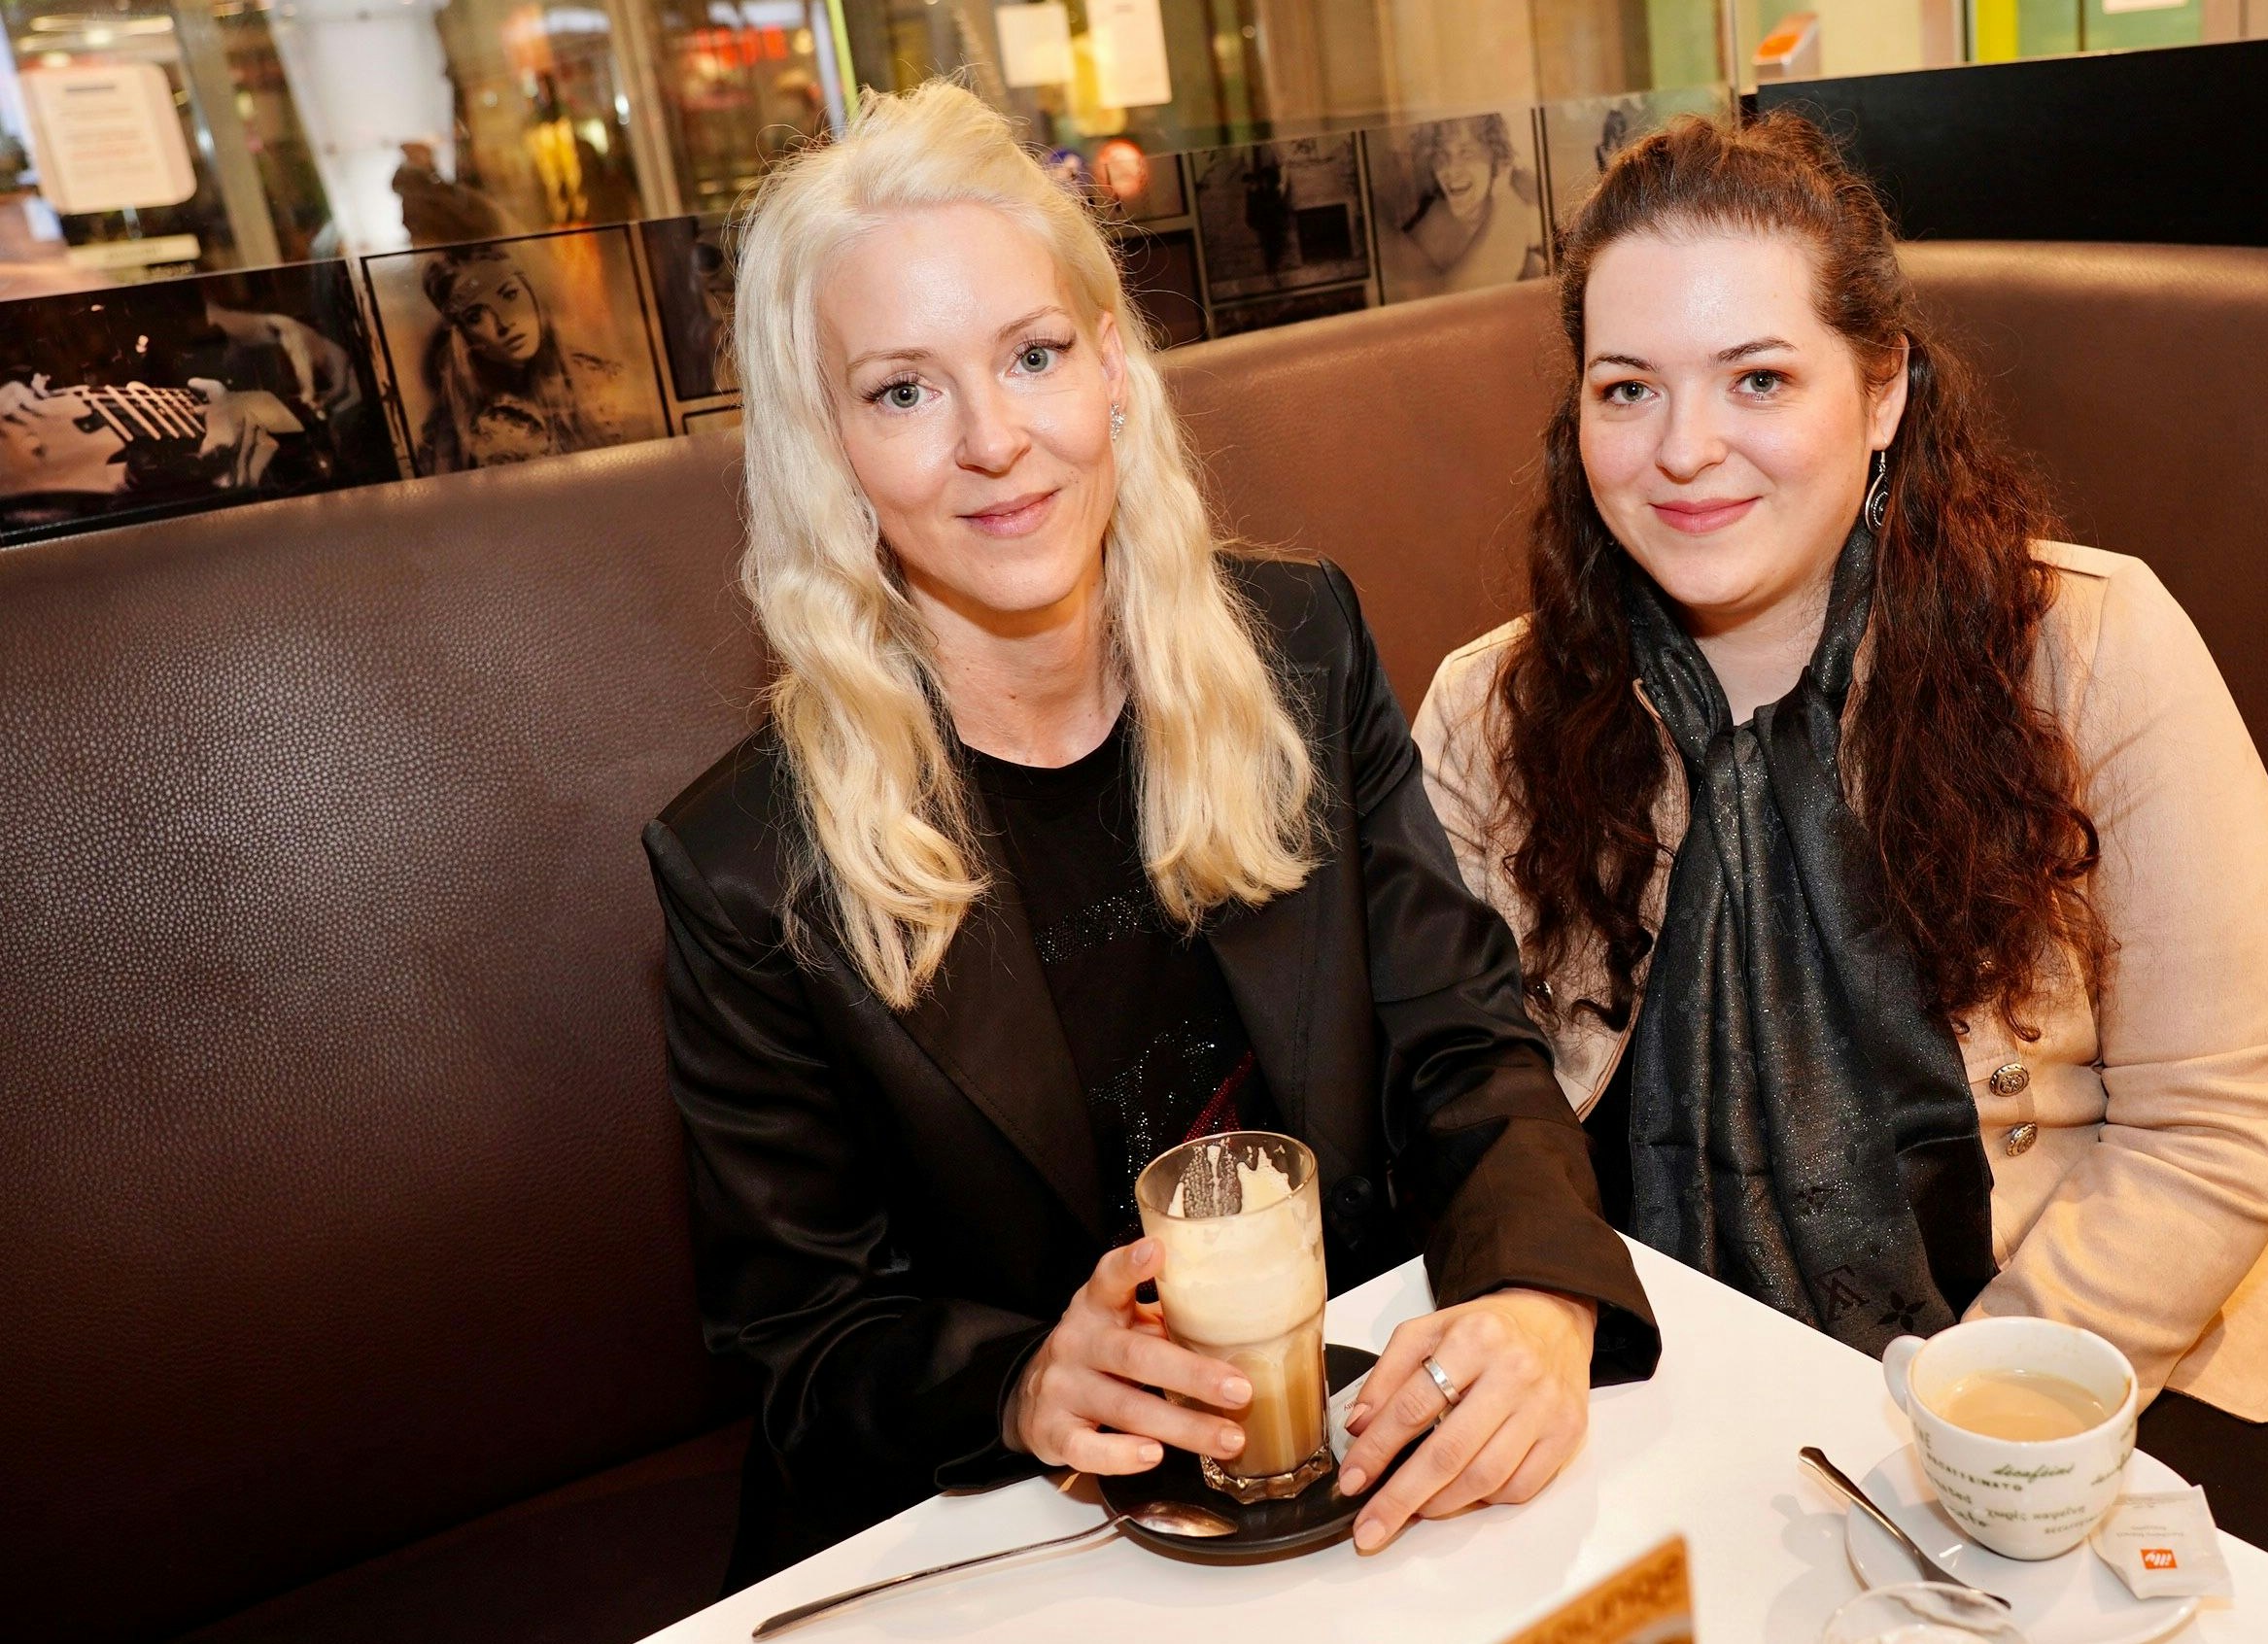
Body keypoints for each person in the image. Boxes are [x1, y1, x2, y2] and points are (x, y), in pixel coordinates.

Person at [644, 79, 1656, 1589]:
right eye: (904, 391)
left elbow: (1462, 1042)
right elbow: (807, 1341)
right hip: (1014, 1540)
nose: (995, 440)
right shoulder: (745, 865)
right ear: (827, 444)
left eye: (1034, 356)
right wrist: (1018, 1380)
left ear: (1111, 367)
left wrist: (1532, 1295)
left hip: (1348, 1463)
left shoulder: (1298, 648)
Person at [1412, 114, 2268, 1581]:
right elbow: (1453, 1090)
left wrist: (1957, 1430)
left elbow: (2215, 1134)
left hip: (2090, 1393)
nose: (1684, 449)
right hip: (1675, 1399)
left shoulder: (2094, 650)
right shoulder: (1489, 711)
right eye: (1627, 388)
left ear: (1884, 387)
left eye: (1760, 378)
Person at [410, 241, 651, 472]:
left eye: (510, 295)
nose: (505, 322)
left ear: (532, 293)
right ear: (463, 336)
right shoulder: (451, 434)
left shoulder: (606, 382)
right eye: (475, 317)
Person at [1379, 115, 1543, 300]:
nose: (1451, 170)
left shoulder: (1523, 213)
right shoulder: (1433, 222)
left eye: (1467, 154)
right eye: (1442, 156)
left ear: (1497, 162)